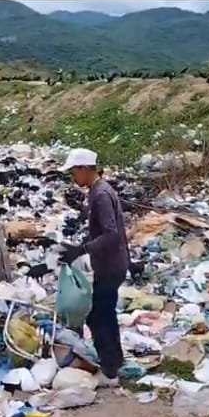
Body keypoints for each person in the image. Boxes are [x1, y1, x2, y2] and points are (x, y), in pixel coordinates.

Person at [58, 148, 129, 387]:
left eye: (73, 172)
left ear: (84, 169)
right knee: (105, 314)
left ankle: (110, 371)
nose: (72, 178)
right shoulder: (98, 190)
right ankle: (115, 362)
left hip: (111, 265)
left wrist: (82, 249)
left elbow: (111, 234)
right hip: (111, 263)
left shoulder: (100, 194)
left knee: (98, 316)